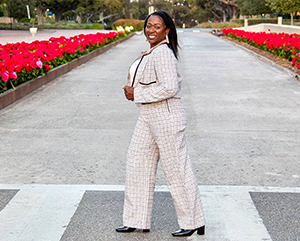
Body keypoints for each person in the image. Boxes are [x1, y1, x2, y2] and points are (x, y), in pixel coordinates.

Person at [116, 11, 205, 237]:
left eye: (157, 27)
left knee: (177, 171)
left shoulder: (163, 53)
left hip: (166, 118)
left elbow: (170, 88)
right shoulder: (151, 52)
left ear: (167, 31)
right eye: (148, 26)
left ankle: (193, 221)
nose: (151, 30)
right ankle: (136, 219)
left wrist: (137, 93)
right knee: (137, 163)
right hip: (147, 117)